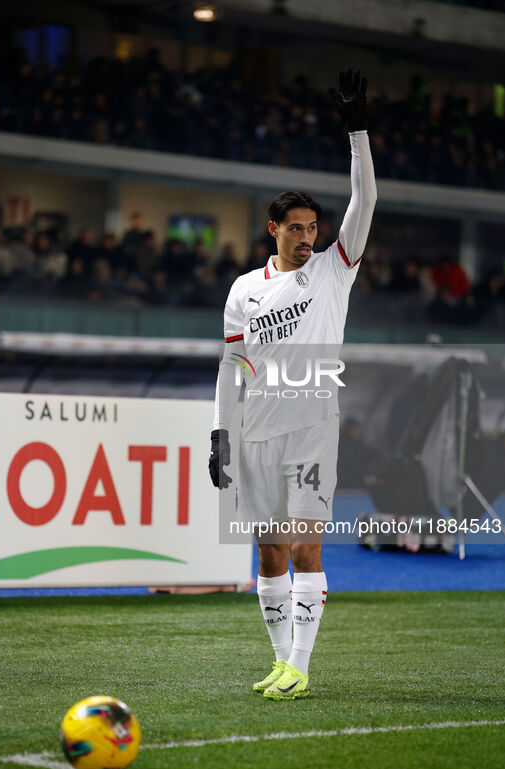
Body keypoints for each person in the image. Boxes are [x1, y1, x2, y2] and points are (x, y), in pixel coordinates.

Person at [208, 69, 376, 701]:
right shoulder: (244, 290)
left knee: (307, 546)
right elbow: (231, 368)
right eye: (297, 228)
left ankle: (301, 667)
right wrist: (220, 434)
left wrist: (357, 131)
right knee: (269, 552)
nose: (309, 236)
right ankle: (282, 664)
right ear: (274, 231)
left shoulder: (336, 270)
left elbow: (366, 202)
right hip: (256, 430)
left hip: (311, 423)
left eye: (314, 227)